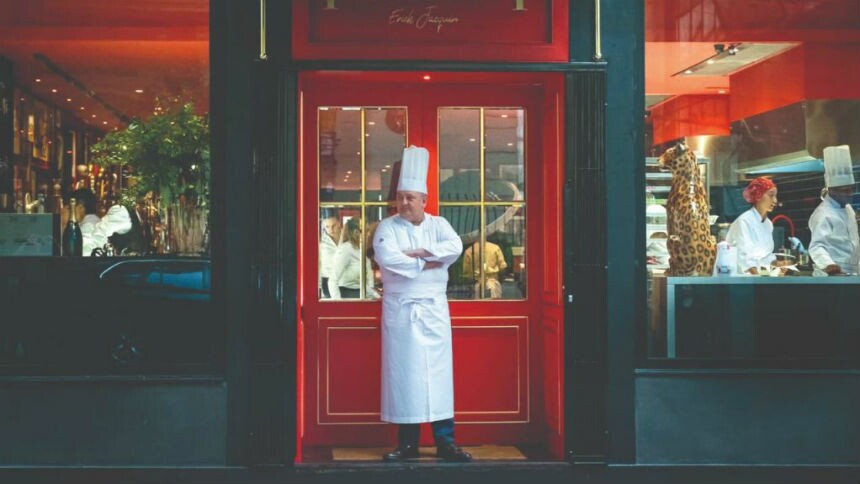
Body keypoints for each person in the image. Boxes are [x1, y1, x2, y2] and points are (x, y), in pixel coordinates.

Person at [372, 145, 471, 463]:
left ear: (424, 200)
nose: (403, 203)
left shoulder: (439, 224)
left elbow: (454, 246)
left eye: (410, 197)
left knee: (439, 377)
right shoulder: (387, 228)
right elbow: (389, 259)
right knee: (406, 378)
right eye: (401, 197)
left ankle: (446, 443)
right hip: (401, 312)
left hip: (434, 310)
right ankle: (407, 444)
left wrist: (420, 252)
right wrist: (427, 260)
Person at [809, 145, 860, 276]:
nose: (850, 194)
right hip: (831, 275)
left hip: (851, 274)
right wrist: (829, 265)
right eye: (845, 190)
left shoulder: (848, 209)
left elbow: (853, 243)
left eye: (851, 189)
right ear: (832, 191)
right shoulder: (823, 214)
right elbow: (816, 246)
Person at [725, 177, 791, 275]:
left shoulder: (768, 224)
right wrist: (758, 280)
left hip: (756, 279)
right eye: (771, 195)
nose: (775, 200)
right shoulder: (744, 221)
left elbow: (764, 257)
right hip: (738, 279)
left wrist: (777, 264)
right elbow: (744, 258)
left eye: (775, 196)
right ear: (758, 195)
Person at [60, 188, 132, 256]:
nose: (62, 212)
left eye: (68, 208)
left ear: (80, 207)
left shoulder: (87, 227)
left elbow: (82, 255)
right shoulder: (93, 223)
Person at [328, 218, 379, 299]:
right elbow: (332, 281)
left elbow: (362, 284)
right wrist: (338, 306)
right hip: (347, 296)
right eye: (367, 230)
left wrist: (376, 295)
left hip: (360, 296)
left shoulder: (359, 250)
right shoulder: (346, 249)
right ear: (356, 232)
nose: (369, 234)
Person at [319, 216, 342, 298]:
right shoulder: (321, 243)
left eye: (334, 226)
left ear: (339, 224)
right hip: (327, 280)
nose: (331, 229)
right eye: (327, 227)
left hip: (345, 280)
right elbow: (318, 264)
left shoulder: (347, 238)